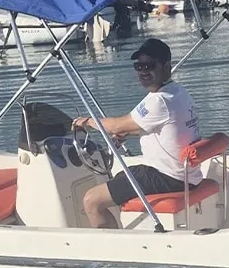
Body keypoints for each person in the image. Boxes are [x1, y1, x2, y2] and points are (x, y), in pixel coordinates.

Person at [72, 38, 201, 229]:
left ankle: (114, 246)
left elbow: (116, 126)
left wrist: (87, 122)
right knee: (120, 177)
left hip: (168, 177)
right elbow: (159, 125)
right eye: (139, 66)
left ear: (166, 67)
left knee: (92, 200)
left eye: (149, 66)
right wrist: (127, 131)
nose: (143, 71)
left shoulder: (159, 100)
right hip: (185, 175)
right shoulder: (179, 92)